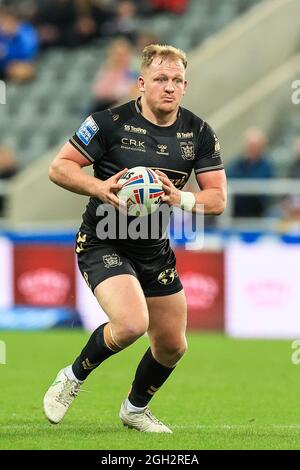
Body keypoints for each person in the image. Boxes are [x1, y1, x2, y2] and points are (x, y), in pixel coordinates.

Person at [43, 44, 226, 433]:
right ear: (141, 83)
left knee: (173, 345)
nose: (170, 87)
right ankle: (72, 377)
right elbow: (59, 168)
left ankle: (135, 409)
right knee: (129, 324)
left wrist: (181, 197)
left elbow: (217, 198)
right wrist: (98, 186)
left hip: (153, 249)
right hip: (104, 240)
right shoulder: (108, 123)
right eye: (161, 79)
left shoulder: (198, 132)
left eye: (177, 80)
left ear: (185, 85)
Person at [227, 127, 274, 217]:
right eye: (250, 145)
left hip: (258, 213)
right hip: (236, 212)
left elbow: (261, 188)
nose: (251, 149)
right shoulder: (236, 163)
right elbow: (229, 179)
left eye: (255, 146)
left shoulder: (267, 166)